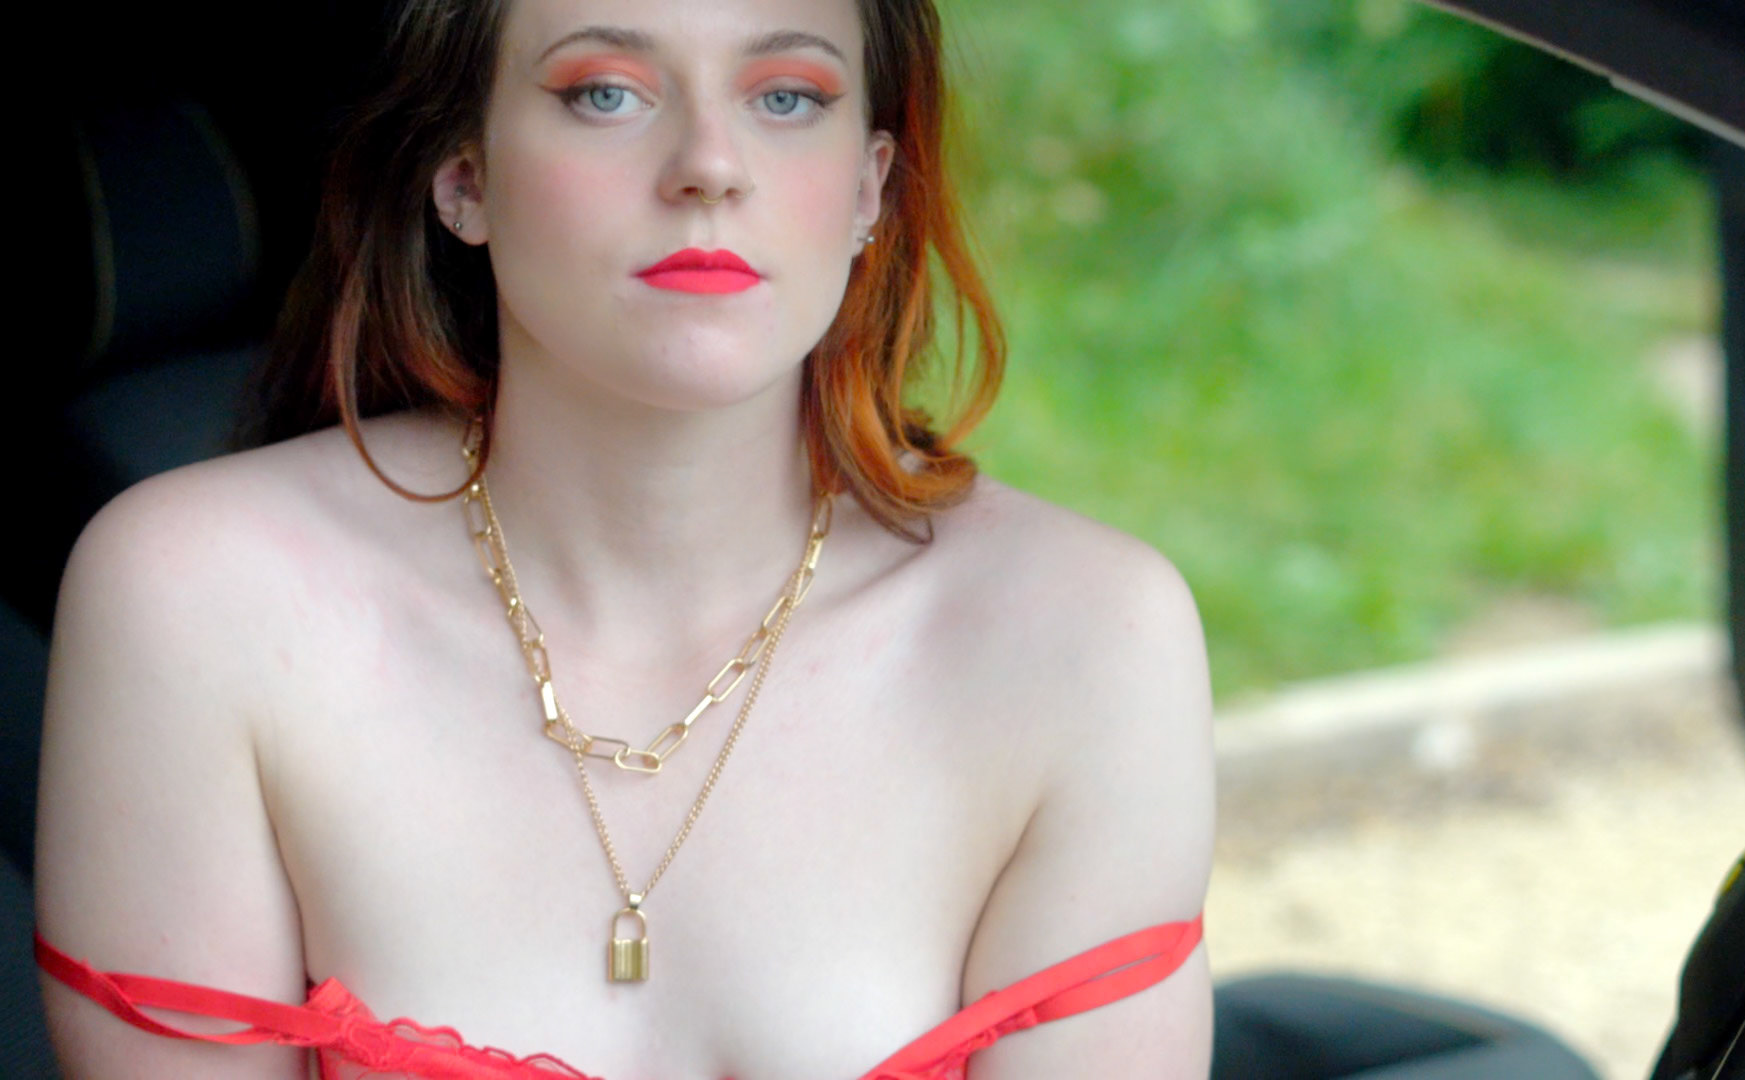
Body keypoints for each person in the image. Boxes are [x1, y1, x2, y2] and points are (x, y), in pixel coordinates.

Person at [32, 0, 1216, 1076]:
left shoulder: (1088, 635)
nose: (709, 166)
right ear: (463, 177)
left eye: (786, 96)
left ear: (870, 187)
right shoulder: (203, 598)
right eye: (605, 92)